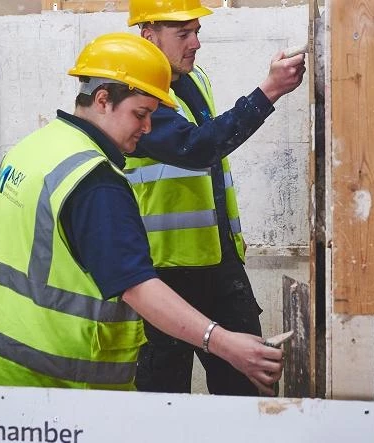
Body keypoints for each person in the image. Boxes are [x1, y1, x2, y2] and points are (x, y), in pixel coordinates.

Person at [0, 32, 283, 394]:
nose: (147, 128)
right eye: (141, 114)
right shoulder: (95, 183)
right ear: (103, 100)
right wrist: (225, 343)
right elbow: (137, 288)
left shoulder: (34, 148)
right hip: (60, 383)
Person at [125, 0, 306, 396]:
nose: (196, 44)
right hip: (165, 274)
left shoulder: (193, 79)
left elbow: (214, 145)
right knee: (164, 397)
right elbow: (196, 147)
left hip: (219, 263)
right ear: (148, 35)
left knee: (246, 385)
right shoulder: (138, 94)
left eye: (197, 32)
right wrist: (270, 90)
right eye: (183, 34)